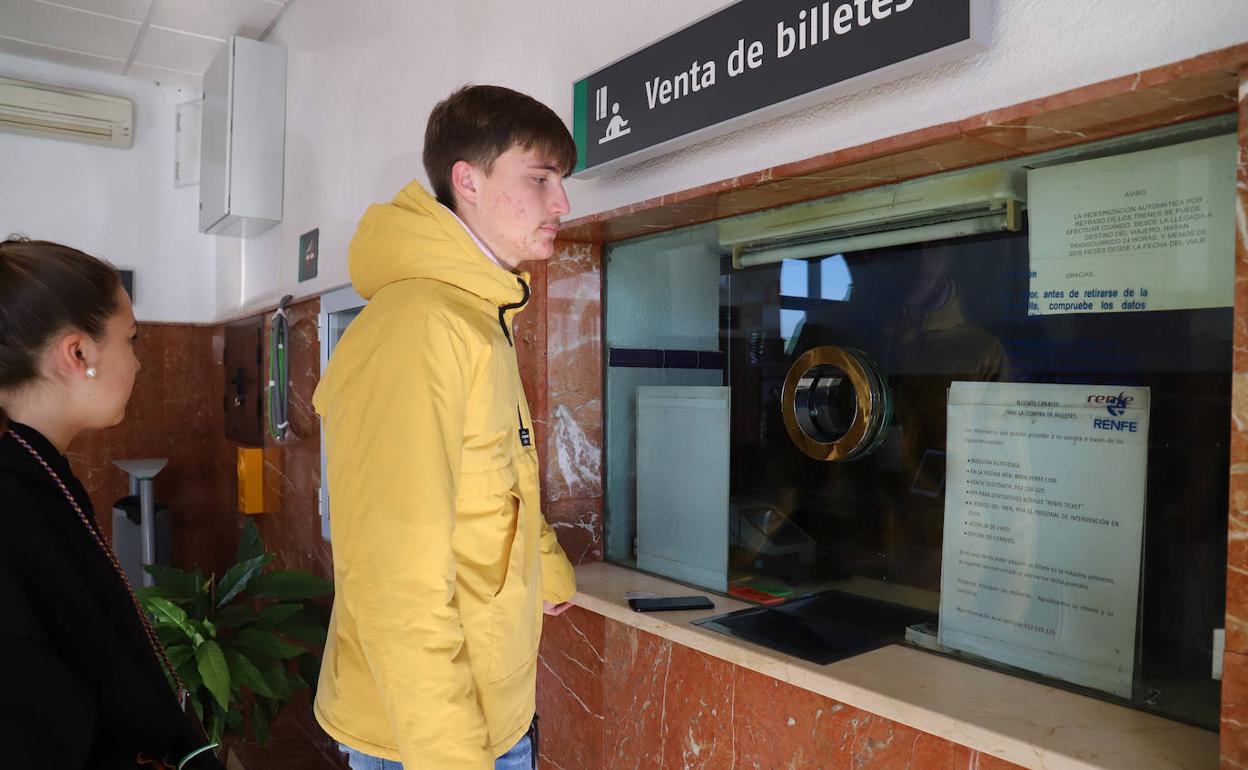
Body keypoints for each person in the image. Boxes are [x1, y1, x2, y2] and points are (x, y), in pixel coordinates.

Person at [313, 85, 579, 769]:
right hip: (429, 740)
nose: (562, 204)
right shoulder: (418, 328)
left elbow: (501, 477)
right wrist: (453, 756)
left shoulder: (477, 316)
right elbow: (393, 574)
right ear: (468, 180)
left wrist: (545, 569)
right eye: (540, 179)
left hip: (487, 714)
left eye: (562, 182)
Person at [0, 238, 223, 769]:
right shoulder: (11, 495)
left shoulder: (38, 470)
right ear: (78, 354)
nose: (140, 363)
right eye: (132, 339)